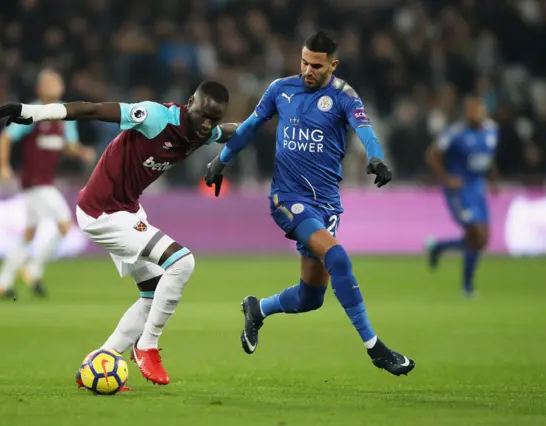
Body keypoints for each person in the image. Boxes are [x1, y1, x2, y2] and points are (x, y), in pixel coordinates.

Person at [0, 80, 238, 386]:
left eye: (212, 120)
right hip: (102, 212)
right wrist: (35, 112)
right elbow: (93, 110)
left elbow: (232, 131)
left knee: (152, 293)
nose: (207, 125)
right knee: (182, 261)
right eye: (203, 115)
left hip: (126, 210)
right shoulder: (154, 117)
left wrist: (272, 118)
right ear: (190, 102)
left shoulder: (202, 132)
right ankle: (146, 345)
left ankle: (100, 361)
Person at [205, 30, 415, 377]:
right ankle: (376, 348)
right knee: (337, 256)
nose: (308, 70)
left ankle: (257, 309)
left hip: (326, 206)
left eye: (316, 65)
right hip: (287, 199)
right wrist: (221, 159)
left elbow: (366, 131)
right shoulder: (280, 90)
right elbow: (249, 127)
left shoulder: (344, 96)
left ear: (333, 64)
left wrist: (376, 157)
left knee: (310, 297)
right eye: (304, 62)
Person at [0, 69, 95, 299]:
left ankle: (2, 282)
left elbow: (69, 145)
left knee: (30, 232)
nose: (55, 86)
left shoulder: (64, 114)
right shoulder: (33, 112)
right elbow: (5, 137)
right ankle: (33, 269)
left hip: (44, 181)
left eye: (58, 82)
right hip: (36, 182)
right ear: (40, 88)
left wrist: (81, 153)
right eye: (50, 82)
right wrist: (3, 166)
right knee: (65, 224)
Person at [425, 95, 499, 297]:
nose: (476, 113)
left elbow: (488, 157)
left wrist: (493, 179)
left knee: (482, 239)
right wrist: (446, 178)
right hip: (459, 191)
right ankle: (467, 287)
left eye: (478, 109)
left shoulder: (492, 130)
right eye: (471, 110)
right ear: (466, 112)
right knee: (475, 233)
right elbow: (432, 154)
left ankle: (439, 247)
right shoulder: (455, 133)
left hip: (477, 188)